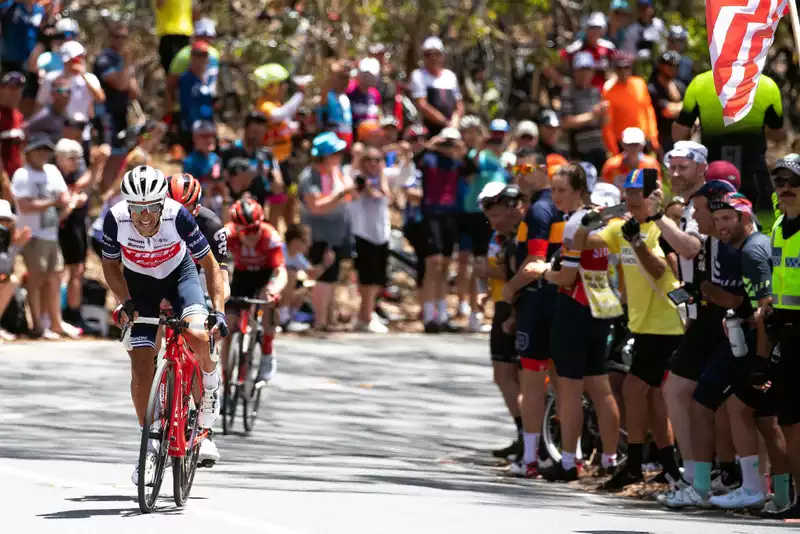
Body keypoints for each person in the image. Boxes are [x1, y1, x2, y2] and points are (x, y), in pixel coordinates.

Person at [101, 165, 226, 486]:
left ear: (162, 203)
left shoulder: (178, 216)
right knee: (141, 363)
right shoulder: (115, 219)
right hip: (140, 285)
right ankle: (152, 441)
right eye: (137, 209)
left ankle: (210, 388)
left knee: (198, 333)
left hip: (179, 277)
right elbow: (111, 267)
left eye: (151, 208)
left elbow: (210, 265)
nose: (144, 217)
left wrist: (220, 312)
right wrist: (125, 301)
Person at [573, 169, 685, 490]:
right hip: (642, 323)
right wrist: (589, 219)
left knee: (636, 390)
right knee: (651, 399)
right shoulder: (620, 226)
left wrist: (636, 241)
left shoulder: (660, 229)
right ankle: (666, 466)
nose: (631, 198)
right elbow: (583, 244)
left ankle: (636, 464)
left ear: (652, 196)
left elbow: (659, 268)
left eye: (638, 192)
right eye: (628, 192)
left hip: (666, 323)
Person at [526, 164, 623, 481]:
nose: (556, 197)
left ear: (580, 190)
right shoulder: (602, 219)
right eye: (552, 190)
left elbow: (566, 276)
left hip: (574, 307)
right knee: (600, 387)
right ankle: (609, 458)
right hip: (601, 308)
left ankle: (569, 462)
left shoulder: (573, 224)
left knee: (569, 389)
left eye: (562, 190)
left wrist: (543, 271)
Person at [502, 143, 564, 478]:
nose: (520, 176)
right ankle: (560, 454)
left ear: (542, 170)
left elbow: (535, 261)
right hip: (550, 300)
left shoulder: (540, 210)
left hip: (539, 301)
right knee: (556, 380)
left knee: (534, 381)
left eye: (526, 170)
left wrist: (510, 291)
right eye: (517, 169)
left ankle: (532, 458)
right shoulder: (548, 206)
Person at [753, 154, 800, 518]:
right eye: (780, 182)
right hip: (786, 330)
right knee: (788, 421)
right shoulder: (780, 224)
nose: (785, 189)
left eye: (793, 183)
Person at [673, 70, 784, 210]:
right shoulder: (767, 85)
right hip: (754, 175)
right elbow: (778, 134)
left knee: (714, 223)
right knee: (760, 225)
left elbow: (679, 134)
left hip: (714, 175)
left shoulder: (699, 83)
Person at [11, 134, 80, 339]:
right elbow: (24, 205)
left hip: (51, 233)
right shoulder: (23, 175)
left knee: (55, 277)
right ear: (28, 152)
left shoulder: (52, 171)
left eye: (45, 151)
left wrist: (64, 201)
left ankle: (55, 322)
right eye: (38, 150)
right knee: (37, 278)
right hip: (33, 235)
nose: (42, 155)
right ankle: (38, 324)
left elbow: (64, 195)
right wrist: (53, 202)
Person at [478, 182, 526, 462]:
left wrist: (488, 270)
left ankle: (532, 433)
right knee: (502, 375)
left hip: (515, 307)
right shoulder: (498, 238)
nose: (493, 219)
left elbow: (516, 272)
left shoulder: (520, 237)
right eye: (489, 214)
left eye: (496, 213)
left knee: (520, 376)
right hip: (501, 305)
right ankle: (523, 431)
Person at [223, 196, 286, 383]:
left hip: (265, 277)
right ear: (237, 229)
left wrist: (273, 289)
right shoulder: (227, 234)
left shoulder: (270, 236)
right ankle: (225, 379)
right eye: (246, 231)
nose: (251, 235)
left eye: (255, 229)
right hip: (242, 277)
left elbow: (281, 272)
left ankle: (267, 352)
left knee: (268, 302)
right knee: (228, 325)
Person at [298, 132, 354, 331]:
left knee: (331, 276)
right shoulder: (310, 176)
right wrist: (339, 195)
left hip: (336, 234)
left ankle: (327, 319)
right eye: (335, 152)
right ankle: (319, 320)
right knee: (321, 276)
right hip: (318, 235)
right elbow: (316, 206)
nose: (339, 156)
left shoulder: (336, 172)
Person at [417, 127, 467, 332]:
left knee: (446, 264)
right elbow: (414, 160)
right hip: (431, 213)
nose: (448, 147)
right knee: (433, 263)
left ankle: (442, 313)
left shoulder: (456, 162)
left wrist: (461, 149)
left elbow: (472, 167)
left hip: (450, 214)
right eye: (446, 142)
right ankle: (429, 315)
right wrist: (431, 145)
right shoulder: (428, 159)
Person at [254, 62, 305, 228]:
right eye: (281, 84)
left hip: (285, 159)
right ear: (270, 86)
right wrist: (299, 95)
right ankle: (274, 233)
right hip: (273, 161)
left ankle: (290, 233)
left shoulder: (276, 104)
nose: (284, 87)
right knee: (278, 200)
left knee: (291, 197)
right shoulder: (264, 105)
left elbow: (284, 122)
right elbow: (279, 115)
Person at [37, 41, 106, 160]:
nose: (73, 63)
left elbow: (100, 98)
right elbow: (40, 104)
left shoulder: (89, 78)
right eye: (70, 60)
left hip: (81, 133)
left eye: (77, 59)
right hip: (58, 132)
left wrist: (83, 74)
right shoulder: (52, 78)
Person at [348, 145, 391, 333]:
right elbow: (353, 183)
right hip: (363, 233)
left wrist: (381, 172)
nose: (373, 164)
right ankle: (365, 316)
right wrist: (357, 161)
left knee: (378, 279)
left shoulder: (384, 177)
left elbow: (400, 180)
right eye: (369, 160)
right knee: (367, 278)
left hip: (381, 233)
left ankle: (366, 314)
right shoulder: (355, 177)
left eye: (377, 160)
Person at [602, 50, 659, 155]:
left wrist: (653, 136)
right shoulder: (608, 92)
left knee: (647, 169)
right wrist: (613, 150)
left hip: (643, 139)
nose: (623, 71)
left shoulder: (639, 83)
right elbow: (607, 125)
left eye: (626, 67)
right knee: (627, 172)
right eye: (619, 68)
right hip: (623, 143)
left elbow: (648, 110)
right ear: (614, 69)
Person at [279, 223, 334, 331]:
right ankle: (282, 317)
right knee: (290, 275)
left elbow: (311, 273)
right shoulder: (280, 251)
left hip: (283, 291)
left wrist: (325, 264)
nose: (309, 244)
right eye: (306, 241)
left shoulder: (297, 256)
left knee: (306, 289)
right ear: (295, 241)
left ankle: (289, 317)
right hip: (272, 288)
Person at [560, 51, 608, 171]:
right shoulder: (568, 93)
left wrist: (605, 113)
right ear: (574, 71)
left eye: (587, 69)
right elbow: (566, 122)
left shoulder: (596, 92)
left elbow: (605, 123)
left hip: (600, 149)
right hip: (580, 152)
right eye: (580, 70)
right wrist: (592, 115)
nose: (584, 73)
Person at [410, 37, 464, 136]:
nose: (433, 58)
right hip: (428, 131)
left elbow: (459, 105)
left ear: (442, 56)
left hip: (451, 130)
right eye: (428, 54)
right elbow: (422, 105)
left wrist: (454, 122)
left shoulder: (450, 76)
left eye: (436, 54)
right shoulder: (418, 75)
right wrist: (445, 122)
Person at [555, 12, 616, 92]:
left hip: (603, 92)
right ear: (586, 29)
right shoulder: (576, 48)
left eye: (598, 28)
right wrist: (564, 84)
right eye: (592, 27)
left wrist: (610, 83)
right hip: (580, 93)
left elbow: (618, 68)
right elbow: (551, 62)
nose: (595, 31)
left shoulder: (609, 48)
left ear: (603, 30)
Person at [0, 198, 31, 342]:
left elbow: (5, 266)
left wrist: (16, 245)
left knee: (11, 280)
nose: (3, 223)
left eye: (6, 219)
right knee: (9, 280)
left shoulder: (7, 239)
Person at [177, 41, 215, 154]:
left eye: (204, 56)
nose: (201, 59)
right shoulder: (186, 79)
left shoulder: (208, 79)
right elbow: (186, 105)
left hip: (208, 126)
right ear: (192, 58)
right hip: (192, 129)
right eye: (198, 55)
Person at [648, 51, 683, 155]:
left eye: (676, 66)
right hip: (659, 137)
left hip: (678, 136)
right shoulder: (652, 88)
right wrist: (684, 106)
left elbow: (693, 108)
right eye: (669, 65)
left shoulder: (678, 85)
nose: (673, 69)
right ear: (661, 66)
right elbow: (668, 111)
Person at [0, 0, 46, 74]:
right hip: (10, 58)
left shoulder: (39, 10)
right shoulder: (7, 7)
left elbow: (41, 33)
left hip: (30, 61)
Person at [23, 74, 71, 144]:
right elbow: (25, 128)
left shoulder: (65, 114)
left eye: (69, 91)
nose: (66, 94)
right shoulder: (45, 114)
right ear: (52, 93)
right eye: (61, 90)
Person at [348, 58, 382, 140]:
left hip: (373, 137)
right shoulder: (349, 90)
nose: (366, 79)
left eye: (370, 76)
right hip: (355, 137)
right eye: (364, 75)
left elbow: (379, 114)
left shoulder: (375, 94)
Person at [0, 72, 26, 179]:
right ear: (1, 90)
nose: (15, 93)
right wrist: (3, 179)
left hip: (16, 178)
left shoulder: (18, 115)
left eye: (19, 90)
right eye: (11, 89)